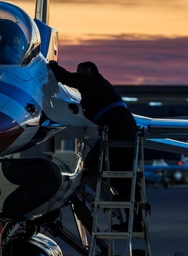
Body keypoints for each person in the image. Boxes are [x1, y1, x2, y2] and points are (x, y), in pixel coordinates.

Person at [48, 60, 139, 201]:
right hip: (123, 123)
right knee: (121, 165)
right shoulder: (100, 85)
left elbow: (66, 78)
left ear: (89, 70)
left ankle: (128, 194)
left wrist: (52, 66)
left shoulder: (91, 79)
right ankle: (132, 200)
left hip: (117, 123)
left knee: (93, 162)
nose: (78, 75)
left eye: (80, 71)